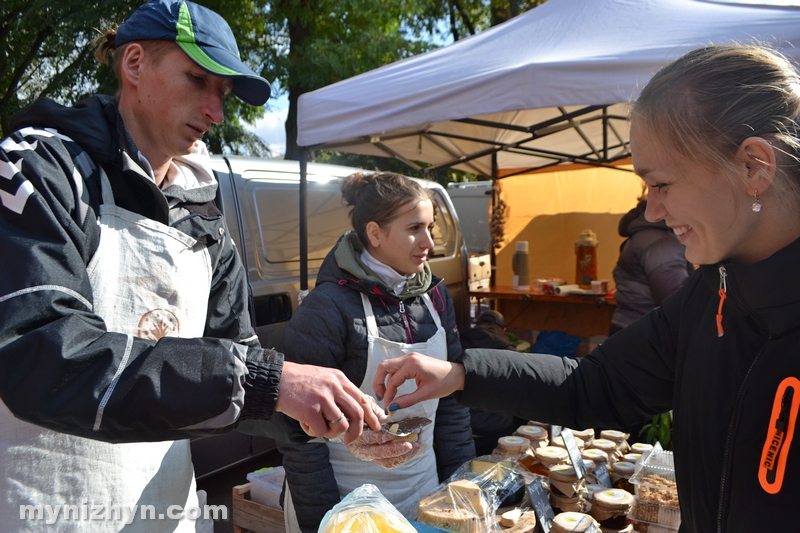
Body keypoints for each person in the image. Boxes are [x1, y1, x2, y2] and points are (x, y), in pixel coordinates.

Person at [373, 44, 800, 532]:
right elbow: (598, 383)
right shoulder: (710, 295)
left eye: (660, 183)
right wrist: (460, 373)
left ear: (754, 168)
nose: (652, 211)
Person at [0, 2, 380, 531]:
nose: (215, 111)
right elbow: (41, 351)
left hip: (165, 508)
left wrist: (317, 415)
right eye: (198, 79)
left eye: (222, 92)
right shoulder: (37, 170)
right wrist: (269, 382)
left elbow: (240, 361)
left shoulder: (204, 213)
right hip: (50, 508)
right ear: (134, 63)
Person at [277, 172, 476, 533]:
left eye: (431, 227)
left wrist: (460, 486)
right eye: (414, 227)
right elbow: (300, 437)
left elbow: (452, 401)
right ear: (374, 234)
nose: (428, 241)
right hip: (347, 500)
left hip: (424, 488)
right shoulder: (328, 307)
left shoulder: (435, 297)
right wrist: (325, 519)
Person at [609, 197, 693, 336]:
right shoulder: (661, 243)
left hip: (633, 328)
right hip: (645, 334)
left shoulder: (649, 234)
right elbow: (676, 300)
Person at [459, 310, 526, 455]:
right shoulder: (510, 353)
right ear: (503, 331)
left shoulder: (456, 346)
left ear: (477, 325)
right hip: (496, 431)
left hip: (460, 428)